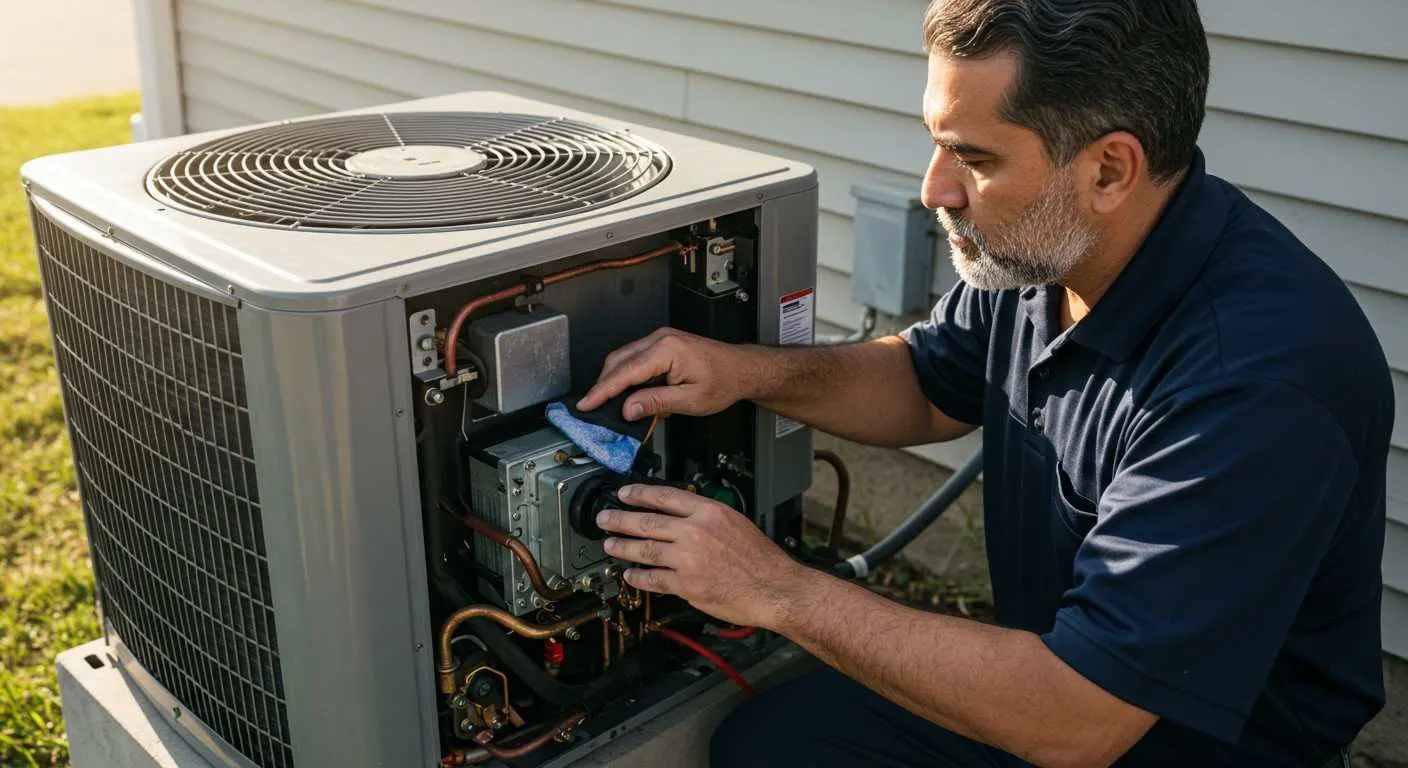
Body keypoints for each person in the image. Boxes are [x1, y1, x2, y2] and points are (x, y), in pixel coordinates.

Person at [575, 0, 1394, 765]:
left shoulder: (1255, 380)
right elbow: (926, 385)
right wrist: (744, 372)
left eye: (975, 158)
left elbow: (1080, 719)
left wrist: (775, 589)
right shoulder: (1048, 248)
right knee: (772, 744)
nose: (937, 190)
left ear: (1110, 169)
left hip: (1162, 739)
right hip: (1064, 677)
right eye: (939, 142)